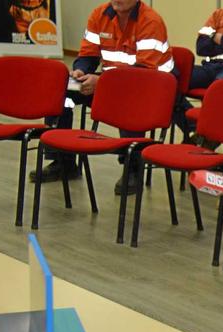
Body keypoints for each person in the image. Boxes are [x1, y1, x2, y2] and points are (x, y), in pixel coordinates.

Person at [29, 0, 174, 196]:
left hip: (149, 86)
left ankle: (132, 168)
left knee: (130, 103)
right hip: (111, 82)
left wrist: (102, 82)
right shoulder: (99, 14)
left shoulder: (150, 21)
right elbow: (88, 54)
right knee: (62, 93)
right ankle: (63, 162)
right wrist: (81, 71)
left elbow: (144, 72)